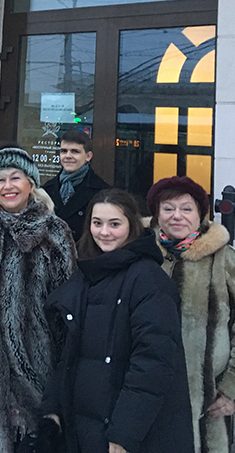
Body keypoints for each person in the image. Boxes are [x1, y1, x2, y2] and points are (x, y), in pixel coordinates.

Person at [40, 189, 194, 453]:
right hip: (85, 426)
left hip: (130, 434)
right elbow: (68, 355)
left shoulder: (149, 280)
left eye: (114, 224)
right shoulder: (85, 274)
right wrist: (52, 409)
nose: (104, 232)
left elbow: (152, 365)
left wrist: (124, 434)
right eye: (97, 223)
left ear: (131, 226)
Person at [0, 148, 77, 452]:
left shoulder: (54, 231)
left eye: (15, 178)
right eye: (0, 180)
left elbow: (67, 302)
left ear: (30, 183)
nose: (8, 186)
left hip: (37, 362)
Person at [147, 176, 235, 452]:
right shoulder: (142, 254)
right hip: (146, 400)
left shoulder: (224, 259)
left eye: (186, 208)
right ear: (157, 213)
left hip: (204, 409)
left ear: (200, 215)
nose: (177, 216)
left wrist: (234, 389)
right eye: (168, 208)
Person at [39, 130, 112, 243]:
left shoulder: (103, 192)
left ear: (88, 156)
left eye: (75, 151)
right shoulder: (46, 190)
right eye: (64, 151)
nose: (68, 156)